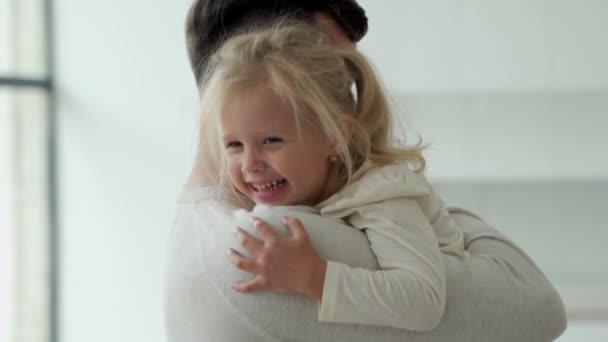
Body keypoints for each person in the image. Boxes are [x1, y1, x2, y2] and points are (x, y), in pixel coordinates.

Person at [166, 0, 567, 340]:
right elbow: (537, 306)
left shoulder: (198, 225)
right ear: (253, 55)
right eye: (327, 69)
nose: (347, 92)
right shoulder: (269, 242)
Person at [199, 21, 464, 331]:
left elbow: (423, 302)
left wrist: (314, 276)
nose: (249, 165)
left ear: (335, 135)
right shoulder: (298, 186)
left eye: (271, 141)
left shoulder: (379, 194)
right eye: (234, 145)